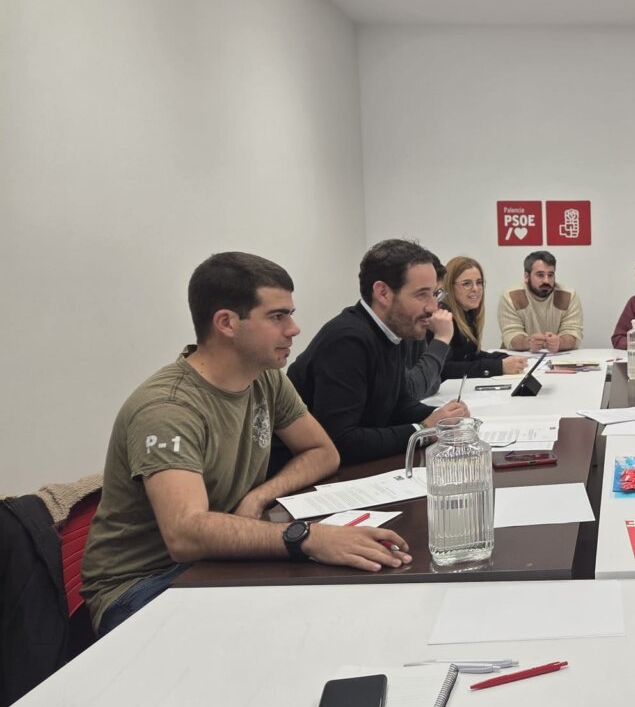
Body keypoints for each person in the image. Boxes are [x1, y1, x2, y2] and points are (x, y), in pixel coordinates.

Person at [80, 252, 410, 636]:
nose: (294, 329)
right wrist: (307, 537)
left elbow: (323, 452)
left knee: (346, 602)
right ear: (226, 323)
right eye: (277, 316)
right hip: (143, 586)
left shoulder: (263, 378)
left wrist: (258, 496)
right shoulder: (168, 408)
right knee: (307, 621)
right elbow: (185, 534)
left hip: (214, 559)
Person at [287, 240, 469, 466]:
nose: (433, 307)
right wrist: (423, 430)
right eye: (422, 295)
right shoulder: (347, 341)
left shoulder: (393, 329)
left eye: (435, 294)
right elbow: (340, 441)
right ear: (383, 293)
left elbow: (398, 405)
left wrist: (444, 417)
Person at [439, 256, 528, 379]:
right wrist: (499, 366)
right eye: (466, 284)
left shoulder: (468, 314)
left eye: (479, 282)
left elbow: (472, 356)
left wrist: (507, 358)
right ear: (450, 286)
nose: (476, 289)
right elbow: (445, 369)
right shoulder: (442, 318)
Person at [498, 250, 583, 352]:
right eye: (540, 275)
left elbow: (573, 333)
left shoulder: (568, 296)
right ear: (526, 276)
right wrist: (527, 343)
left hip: (556, 357)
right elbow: (511, 335)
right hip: (518, 357)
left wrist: (560, 343)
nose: (546, 280)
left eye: (550, 275)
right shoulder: (511, 296)